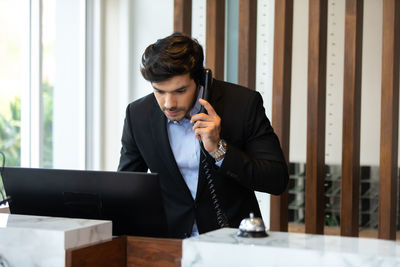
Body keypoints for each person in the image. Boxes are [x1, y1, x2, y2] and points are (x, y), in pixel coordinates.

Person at [118, 33, 288, 238]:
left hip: (232, 241)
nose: (168, 103)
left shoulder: (243, 104)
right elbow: (127, 186)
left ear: (200, 80)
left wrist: (219, 150)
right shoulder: (138, 114)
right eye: (159, 91)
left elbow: (276, 180)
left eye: (180, 91)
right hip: (169, 242)